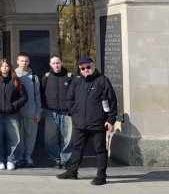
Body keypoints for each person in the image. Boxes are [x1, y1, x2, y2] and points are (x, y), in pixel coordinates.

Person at [57, 56, 118, 186]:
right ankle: (72, 171)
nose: (86, 70)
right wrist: (74, 112)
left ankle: (101, 176)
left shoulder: (102, 81)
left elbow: (112, 101)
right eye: (82, 68)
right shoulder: (76, 81)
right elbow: (69, 98)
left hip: (97, 123)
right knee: (77, 148)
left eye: (88, 67)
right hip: (80, 122)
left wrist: (111, 120)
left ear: (93, 65)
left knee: (100, 150)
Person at [0, 59, 28, 171]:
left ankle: (11, 160)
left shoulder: (16, 80)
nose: (5, 68)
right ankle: (0, 160)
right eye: (3, 66)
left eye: (7, 66)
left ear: (10, 67)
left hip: (12, 115)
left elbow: (24, 97)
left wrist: (14, 105)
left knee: (14, 139)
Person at [42, 55, 74, 169]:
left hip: (66, 113)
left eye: (58, 63)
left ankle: (65, 160)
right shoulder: (46, 77)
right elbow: (42, 93)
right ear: (50, 65)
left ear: (62, 63)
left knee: (67, 137)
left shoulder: (69, 77)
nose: (56, 65)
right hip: (51, 112)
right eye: (54, 63)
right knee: (51, 138)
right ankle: (56, 159)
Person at [14, 52, 42, 167]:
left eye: (26, 61)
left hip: (32, 111)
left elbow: (37, 95)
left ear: (29, 62)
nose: (24, 63)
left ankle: (28, 156)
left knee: (31, 136)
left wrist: (38, 111)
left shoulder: (34, 76)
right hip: (17, 112)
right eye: (22, 61)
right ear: (17, 61)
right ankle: (19, 157)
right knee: (19, 136)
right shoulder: (13, 75)